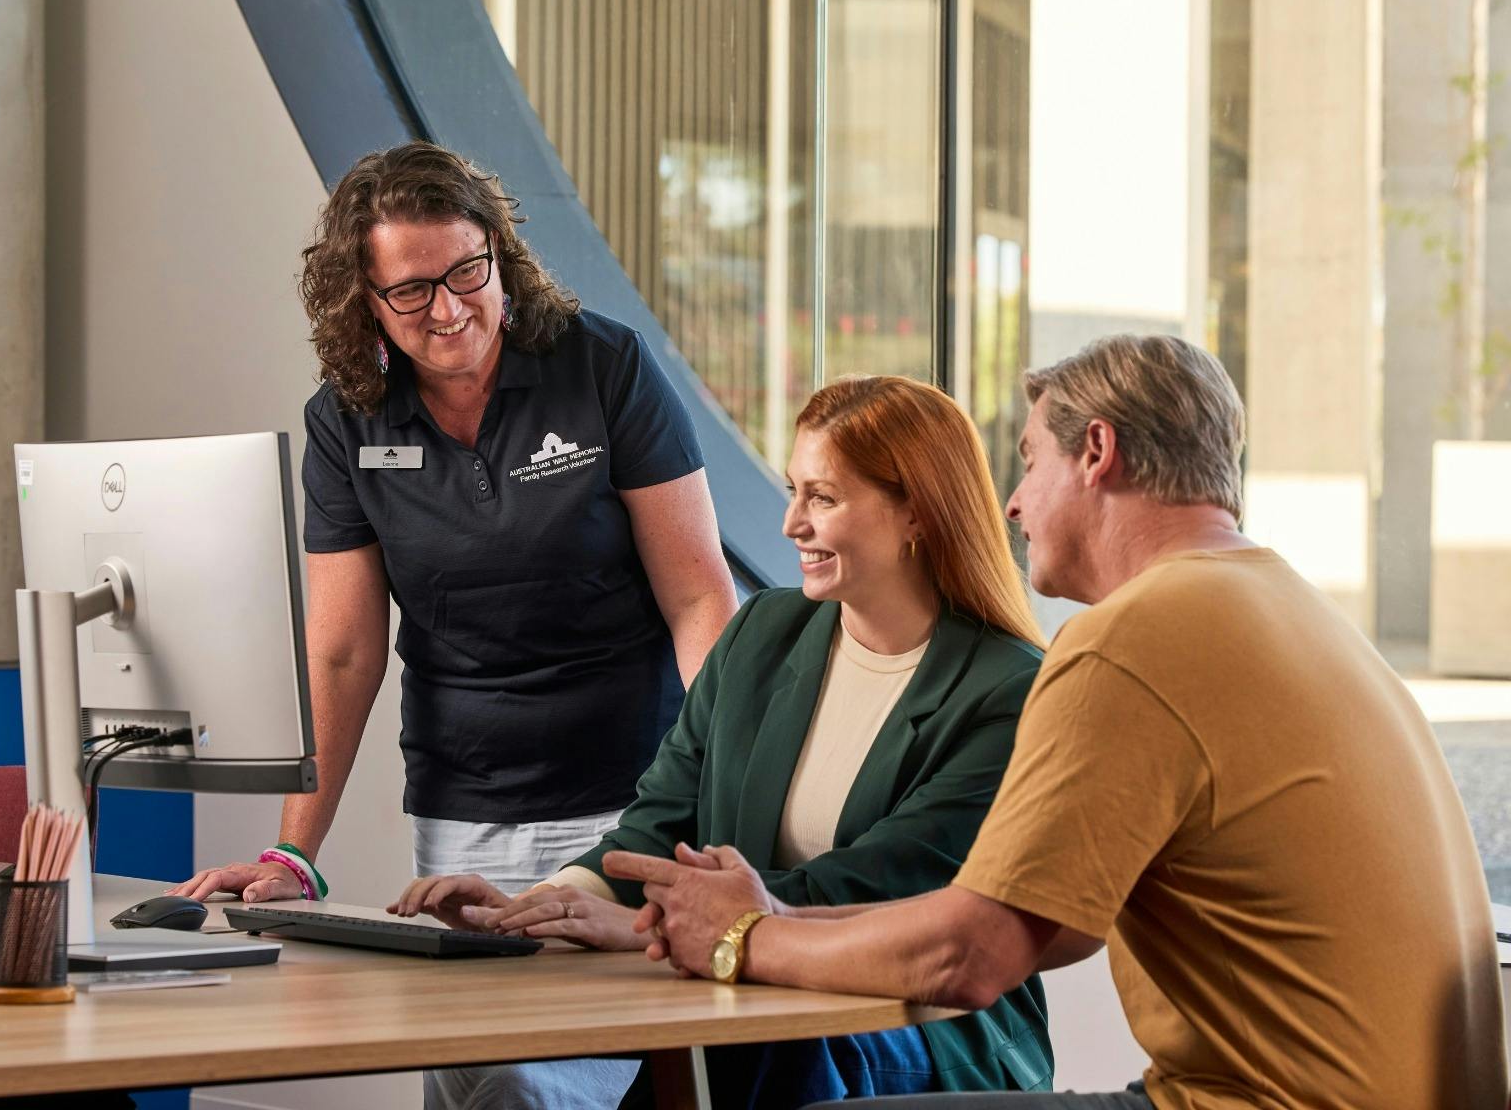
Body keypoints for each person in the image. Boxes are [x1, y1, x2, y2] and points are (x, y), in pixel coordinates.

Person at [606, 335, 1510, 1110]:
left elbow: (971, 957)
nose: (1010, 503)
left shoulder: (1132, 639)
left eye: (1031, 461)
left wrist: (743, 935)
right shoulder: (1285, 608)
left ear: (1098, 452)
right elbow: (1060, 926)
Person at [169, 142, 739, 1106]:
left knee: (541, 1089)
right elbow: (345, 653)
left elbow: (698, 602)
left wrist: (720, 800)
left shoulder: (602, 368)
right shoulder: (346, 422)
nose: (449, 307)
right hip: (461, 818)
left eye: (467, 271)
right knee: (472, 1082)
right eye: (412, 289)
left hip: (627, 804)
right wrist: (293, 853)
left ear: (500, 258)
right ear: (366, 303)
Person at [391, 376, 1055, 1105]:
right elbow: (660, 820)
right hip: (745, 987)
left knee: (732, 1048)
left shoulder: (1008, 690)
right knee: (500, 1036)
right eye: (792, 490)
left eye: (823, 498)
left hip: (922, 1022)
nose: (791, 524)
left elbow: (874, 885)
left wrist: (644, 926)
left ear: (915, 514)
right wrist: (539, 908)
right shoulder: (762, 631)